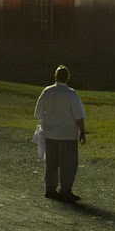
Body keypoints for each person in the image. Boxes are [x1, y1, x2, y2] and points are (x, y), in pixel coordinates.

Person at [34, 64, 87, 200]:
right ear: (67, 78)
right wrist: (82, 131)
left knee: (52, 163)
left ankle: (50, 189)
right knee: (68, 164)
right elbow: (78, 116)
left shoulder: (47, 91)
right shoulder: (71, 94)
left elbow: (39, 112)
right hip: (68, 135)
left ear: (55, 77)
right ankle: (65, 190)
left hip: (51, 134)